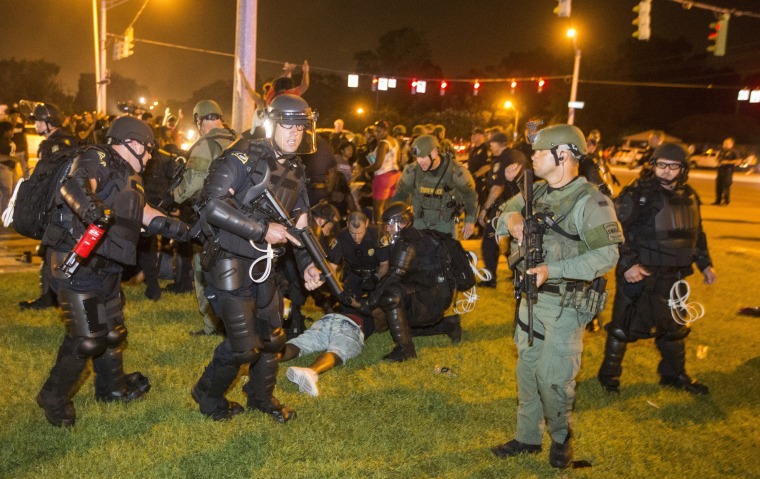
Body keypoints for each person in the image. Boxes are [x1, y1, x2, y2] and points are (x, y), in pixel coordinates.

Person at [36, 116, 190, 427]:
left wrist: (189, 230)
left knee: (113, 331)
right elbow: (74, 185)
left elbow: (147, 216)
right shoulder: (97, 157)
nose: (148, 158)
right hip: (77, 265)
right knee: (88, 338)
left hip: (105, 269)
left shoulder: (129, 176)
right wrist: (93, 212)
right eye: (147, 151)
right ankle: (53, 396)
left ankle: (111, 388)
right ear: (132, 143)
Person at [492, 124, 623, 468]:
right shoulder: (536, 191)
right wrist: (515, 218)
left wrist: (554, 270)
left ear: (562, 155)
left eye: (538, 152)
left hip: (566, 303)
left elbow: (607, 256)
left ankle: (562, 438)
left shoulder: (591, 201)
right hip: (529, 301)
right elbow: (500, 217)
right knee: (527, 371)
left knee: (553, 379)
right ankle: (527, 437)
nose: (531, 158)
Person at [191, 94, 323, 422]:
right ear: (271, 123)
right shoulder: (240, 157)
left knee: (273, 338)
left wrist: (309, 264)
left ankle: (261, 397)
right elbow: (211, 204)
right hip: (228, 260)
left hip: (264, 262)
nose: (295, 133)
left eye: (301, 127)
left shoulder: (295, 168)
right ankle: (207, 394)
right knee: (243, 347)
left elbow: (301, 222)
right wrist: (263, 229)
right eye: (288, 125)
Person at [598, 143, 715, 396]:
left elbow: (697, 233)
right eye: (661, 165)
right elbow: (614, 229)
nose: (667, 171)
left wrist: (705, 264)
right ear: (653, 166)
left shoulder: (690, 196)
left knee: (674, 329)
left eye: (673, 166)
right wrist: (628, 264)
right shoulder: (638, 193)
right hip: (640, 272)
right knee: (622, 327)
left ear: (683, 169)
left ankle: (674, 376)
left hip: (673, 276)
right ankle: (609, 378)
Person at [173, 100, 238, 336]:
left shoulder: (204, 145)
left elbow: (192, 185)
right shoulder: (238, 139)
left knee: (204, 268)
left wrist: (174, 196)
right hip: (241, 218)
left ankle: (212, 324)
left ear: (199, 120)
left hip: (211, 220)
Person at [369, 202, 462, 362]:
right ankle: (449, 324)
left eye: (390, 225)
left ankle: (405, 350)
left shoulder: (406, 242)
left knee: (391, 296)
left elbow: (394, 276)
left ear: (403, 222)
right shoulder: (415, 236)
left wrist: (371, 302)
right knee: (401, 327)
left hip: (433, 298)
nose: (388, 229)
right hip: (436, 293)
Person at [19, 103, 80, 310]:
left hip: (59, 206)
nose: (35, 124)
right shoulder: (71, 139)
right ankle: (54, 295)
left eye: (38, 120)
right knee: (60, 250)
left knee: (51, 249)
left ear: (50, 122)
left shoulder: (53, 145)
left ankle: (51, 297)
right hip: (73, 204)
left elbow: (48, 180)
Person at [282, 308, 384, 397]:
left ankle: (270, 357)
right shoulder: (379, 303)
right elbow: (380, 325)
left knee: (299, 344)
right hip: (350, 325)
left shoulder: (355, 295)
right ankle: (311, 371)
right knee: (339, 351)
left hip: (327, 319)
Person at [391, 134, 477, 239]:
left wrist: (470, 220)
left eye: (423, 157)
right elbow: (400, 195)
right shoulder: (412, 171)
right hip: (419, 221)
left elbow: (470, 195)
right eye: (417, 157)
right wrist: (396, 219)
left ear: (435, 153)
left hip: (445, 223)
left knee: (447, 253)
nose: (419, 161)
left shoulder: (455, 171)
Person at [477, 133, 527, 287]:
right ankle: (518, 275)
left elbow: (498, 187)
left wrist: (485, 208)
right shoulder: (516, 155)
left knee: (490, 241)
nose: (490, 146)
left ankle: (490, 278)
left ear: (498, 144)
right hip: (522, 203)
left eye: (491, 143)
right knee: (517, 241)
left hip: (506, 205)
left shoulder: (503, 159)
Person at [328, 210, 389, 299]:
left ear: (366, 223)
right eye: (352, 233)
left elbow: (385, 264)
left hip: (376, 274)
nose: (356, 237)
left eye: (360, 233)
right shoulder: (341, 236)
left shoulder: (377, 234)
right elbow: (331, 266)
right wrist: (338, 289)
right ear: (347, 224)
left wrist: (376, 278)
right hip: (352, 275)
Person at [364, 120, 401, 223]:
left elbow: (377, 165)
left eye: (379, 132)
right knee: (388, 208)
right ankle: (389, 230)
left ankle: (379, 233)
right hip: (395, 175)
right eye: (375, 131)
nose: (376, 134)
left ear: (386, 131)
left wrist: (364, 170)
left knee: (378, 210)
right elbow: (398, 160)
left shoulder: (383, 144)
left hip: (383, 177)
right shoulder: (394, 141)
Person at [578, 129, 618, 197]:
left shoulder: (597, 147)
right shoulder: (585, 146)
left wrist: (611, 173)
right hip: (584, 169)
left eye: (596, 138)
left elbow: (601, 158)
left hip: (593, 169)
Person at [468, 127, 491, 209]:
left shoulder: (486, 148)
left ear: (482, 135)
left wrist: (475, 175)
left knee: (481, 206)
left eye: (475, 134)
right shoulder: (473, 149)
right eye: (472, 134)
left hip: (481, 182)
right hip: (472, 182)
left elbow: (488, 166)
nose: (472, 136)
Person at [713, 137, 740, 206]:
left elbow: (738, 161)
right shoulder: (722, 151)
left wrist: (727, 162)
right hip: (720, 170)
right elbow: (718, 159)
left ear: (731, 144)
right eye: (724, 143)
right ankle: (718, 200)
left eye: (726, 143)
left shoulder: (734, 152)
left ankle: (726, 201)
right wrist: (717, 160)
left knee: (726, 186)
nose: (724, 145)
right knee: (718, 186)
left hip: (728, 171)